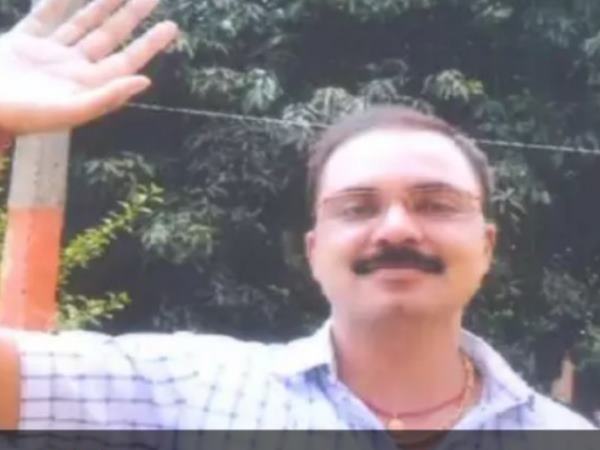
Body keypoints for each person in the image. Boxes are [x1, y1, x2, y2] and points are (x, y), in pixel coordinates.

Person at [0, 0, 595, 439]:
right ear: (314, 249)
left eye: (435, 204)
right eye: (357, 207)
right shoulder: (192, 392)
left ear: (487, 245)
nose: (395, 229)